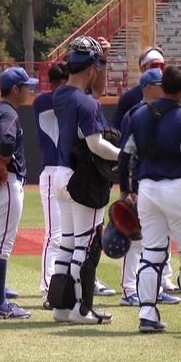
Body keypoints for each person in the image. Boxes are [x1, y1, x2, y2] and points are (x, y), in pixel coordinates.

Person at [117, 65, 181, 333]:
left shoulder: (138, 115)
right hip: (179, 187)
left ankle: (147, 313)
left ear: (162, 85)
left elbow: (124, 155)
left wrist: (125, 191)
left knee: (151, 253)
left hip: (147, 188)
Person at [49, 36, 120, 325]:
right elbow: (95, 144)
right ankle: (81, 308)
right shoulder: (87, 103)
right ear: (91, 69)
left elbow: (91, 90)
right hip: (81, 178)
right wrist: (125, 155)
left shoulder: (61, 94)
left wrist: (100, 59)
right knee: (87, 245)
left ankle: (60, 307)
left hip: (60, 175)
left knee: (67, 244)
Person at [115, 68, 181, 307]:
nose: (165, 88)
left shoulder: (164, 111)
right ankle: (129, 289)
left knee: (161, 236)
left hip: (159, 182)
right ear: (149, 88)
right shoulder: (135, 114)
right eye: (160, 84)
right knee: (135, 237)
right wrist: (127, 187)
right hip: (139, 182)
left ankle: (158, 285)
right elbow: (127, 154)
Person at [0, 67, 36, 319]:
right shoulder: (8, 112)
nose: (29, 90)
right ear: (16, 89)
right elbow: (6, 140)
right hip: (6, 182)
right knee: (1, 245)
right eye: (26, 86)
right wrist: (6, 156)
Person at [35, 62, 69, 308]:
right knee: (54, 236)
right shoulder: (43, 102)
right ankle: (48, 290)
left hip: (69, 171)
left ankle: (69, 287)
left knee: (73, 236)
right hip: (52, 171)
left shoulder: (75, 98)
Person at [110, 47, 166, 130]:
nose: (158, 70)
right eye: (154, 66)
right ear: (142, 68)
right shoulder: (129, 98)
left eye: (161, 66)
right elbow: (117, 128)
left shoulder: (169, 94)